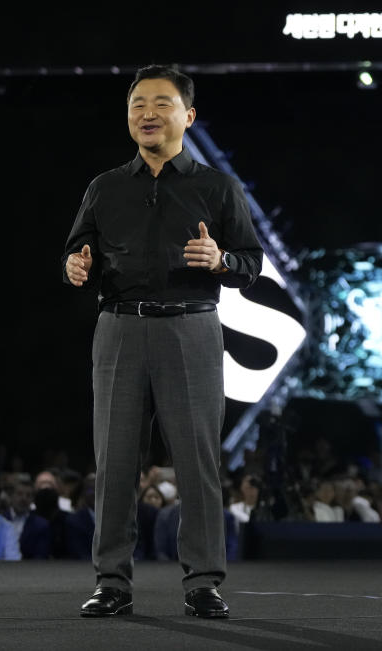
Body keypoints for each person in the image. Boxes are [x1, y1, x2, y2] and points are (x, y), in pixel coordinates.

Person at [63, 65, 262, 619]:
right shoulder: (104, 188)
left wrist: (221, 260)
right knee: (116, 460)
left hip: (191, 327)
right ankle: (112, 582)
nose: (147, 113)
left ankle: (202, 582)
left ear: (188, 116)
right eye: (137, 105)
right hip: (119, 329)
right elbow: (76, 252)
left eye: (161, 103)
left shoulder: (217, 187)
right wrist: (76, 265)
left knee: (197, 461)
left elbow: (251, 262)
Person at [0, 478, 51, 559]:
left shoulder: (41, 525)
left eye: (28, 495)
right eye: (19, 494)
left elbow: (40, 557)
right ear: (11, 496)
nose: (24, 499)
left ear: (33, 499)